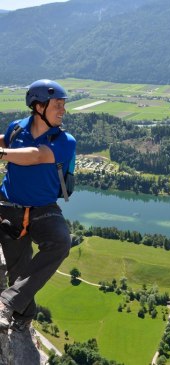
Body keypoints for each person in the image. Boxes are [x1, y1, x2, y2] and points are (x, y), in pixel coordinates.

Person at [0, 79, 76, 332]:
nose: (63, 110)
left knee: (60, 241)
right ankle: (23, 316)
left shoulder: (65, 140)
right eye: (58, 105)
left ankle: (6, 303)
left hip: (44, 208)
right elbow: (6, 142)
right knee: (17, 268)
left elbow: (37, 156)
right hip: (9, 205)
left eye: (63, 105)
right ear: (39, 106)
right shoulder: (15, 129)